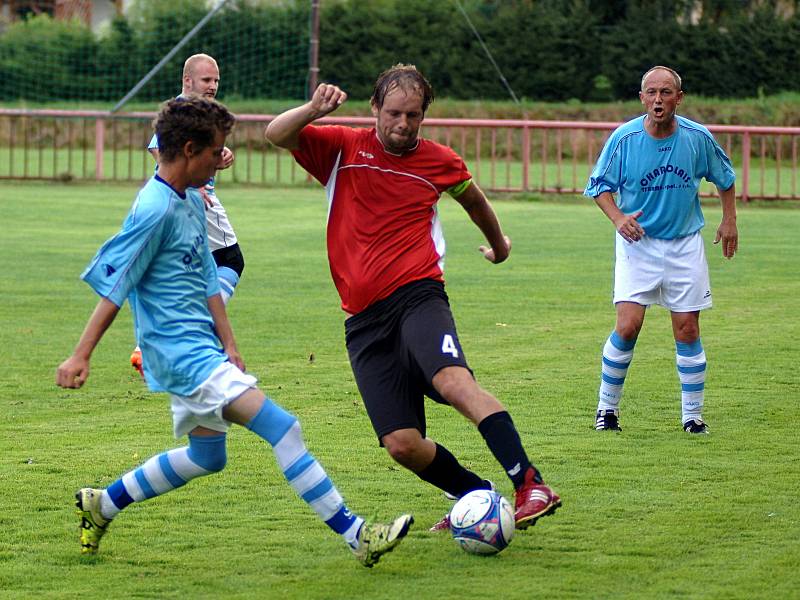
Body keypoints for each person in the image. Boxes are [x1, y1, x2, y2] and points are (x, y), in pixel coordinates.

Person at [56, 96, 412, 567]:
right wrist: (80, 355)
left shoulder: (189, 199)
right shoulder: (154, 210)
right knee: (284, 429)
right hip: (179, 356)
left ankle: (103, 503)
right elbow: (115, 284)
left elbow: (207, 273)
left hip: (200, 347)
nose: (220, 161)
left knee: (207, 456)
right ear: (187, 149)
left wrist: (229, 342)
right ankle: (357, 534)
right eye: (214, 152)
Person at [265, 64, 561, 532]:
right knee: (402, 443)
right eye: (395, 114)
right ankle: (476, 497)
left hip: (418, 296)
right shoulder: (341, 147)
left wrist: (500, 246)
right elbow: (276, 134)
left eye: (414, 116)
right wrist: (313, 110)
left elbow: (475, 200)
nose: (403, 125)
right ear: (375, 109)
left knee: (454, 383)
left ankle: (530, 484)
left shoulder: (439, 160)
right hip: (363, 321)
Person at [584, 65, 738, 434]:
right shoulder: (624, 138)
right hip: (639, 245)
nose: (658, 99)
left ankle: (692, 416)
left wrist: (729, 219)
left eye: (666, 92)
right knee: (628, 325)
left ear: (679, 98)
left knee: (687, 329)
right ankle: (607, 411)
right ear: (641, 98)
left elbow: (726, 177)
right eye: (651, 92)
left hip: (685, 244)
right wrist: (619, 218)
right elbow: (598, 187)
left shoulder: (697, 138)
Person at [130, 53, 243, 377]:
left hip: (169, 196)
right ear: (187, 81)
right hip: (195, 199)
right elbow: (159, 147)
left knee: (163, 270)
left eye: (216, 80)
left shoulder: (200, 112)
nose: (213, 86)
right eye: (207, 80)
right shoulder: (183, 111)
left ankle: (146, 343)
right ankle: (199, 328)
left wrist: (219, 155)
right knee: (230, 261)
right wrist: (192, 180)